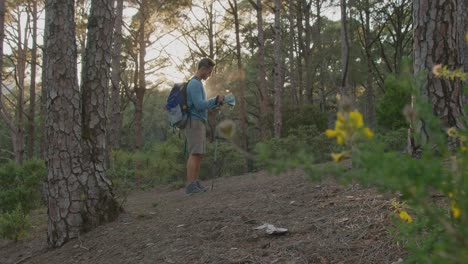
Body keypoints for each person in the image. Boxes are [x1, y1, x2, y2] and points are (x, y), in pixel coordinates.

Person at [185, 58, 225, 194]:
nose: (210, 74)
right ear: (203, 69)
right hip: (194, 122)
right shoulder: (194, 84)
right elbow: (199, 105)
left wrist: (215, 103)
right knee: (195, 153)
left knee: (199, 154)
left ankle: (195, 183)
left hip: (198, 121)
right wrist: (214, 100)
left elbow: (201, 105)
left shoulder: (198, 83)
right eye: (209, 71)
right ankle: (190, 186)